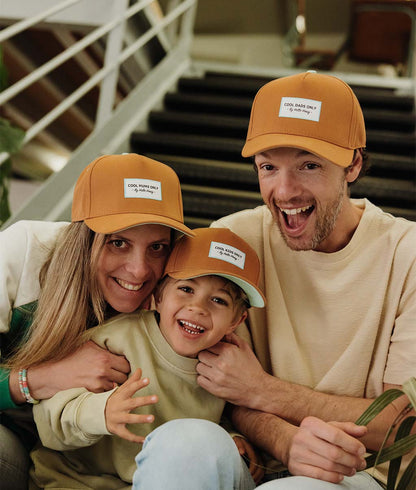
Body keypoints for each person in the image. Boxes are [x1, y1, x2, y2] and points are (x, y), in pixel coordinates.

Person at [194, 72, 416, 489]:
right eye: (268, 167)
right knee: (182, 445)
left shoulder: (408, 255)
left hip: (356, 470)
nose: (284, 190)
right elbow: (216, 380)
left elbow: (402, 423)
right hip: (253, 457)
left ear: (353, 164)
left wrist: (264, 390)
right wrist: (284, 439)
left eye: (308, 165)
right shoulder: (234, 239)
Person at [0, 152, 194, 490]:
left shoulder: (175, 304)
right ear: (85, 238)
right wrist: (41, 379)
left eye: (157, 247)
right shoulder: (23, 252)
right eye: (118, 243)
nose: (139, 270)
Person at [28, 227, 265, 489]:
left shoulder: (225, 368)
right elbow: (48, 420)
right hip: (72, 481)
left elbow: (200, 423)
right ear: (159, 295)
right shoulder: (116, 339)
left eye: (219, 300)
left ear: (237, 320)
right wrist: (101, 412)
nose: (198, 308)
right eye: (186, 288)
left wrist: (229, 436)